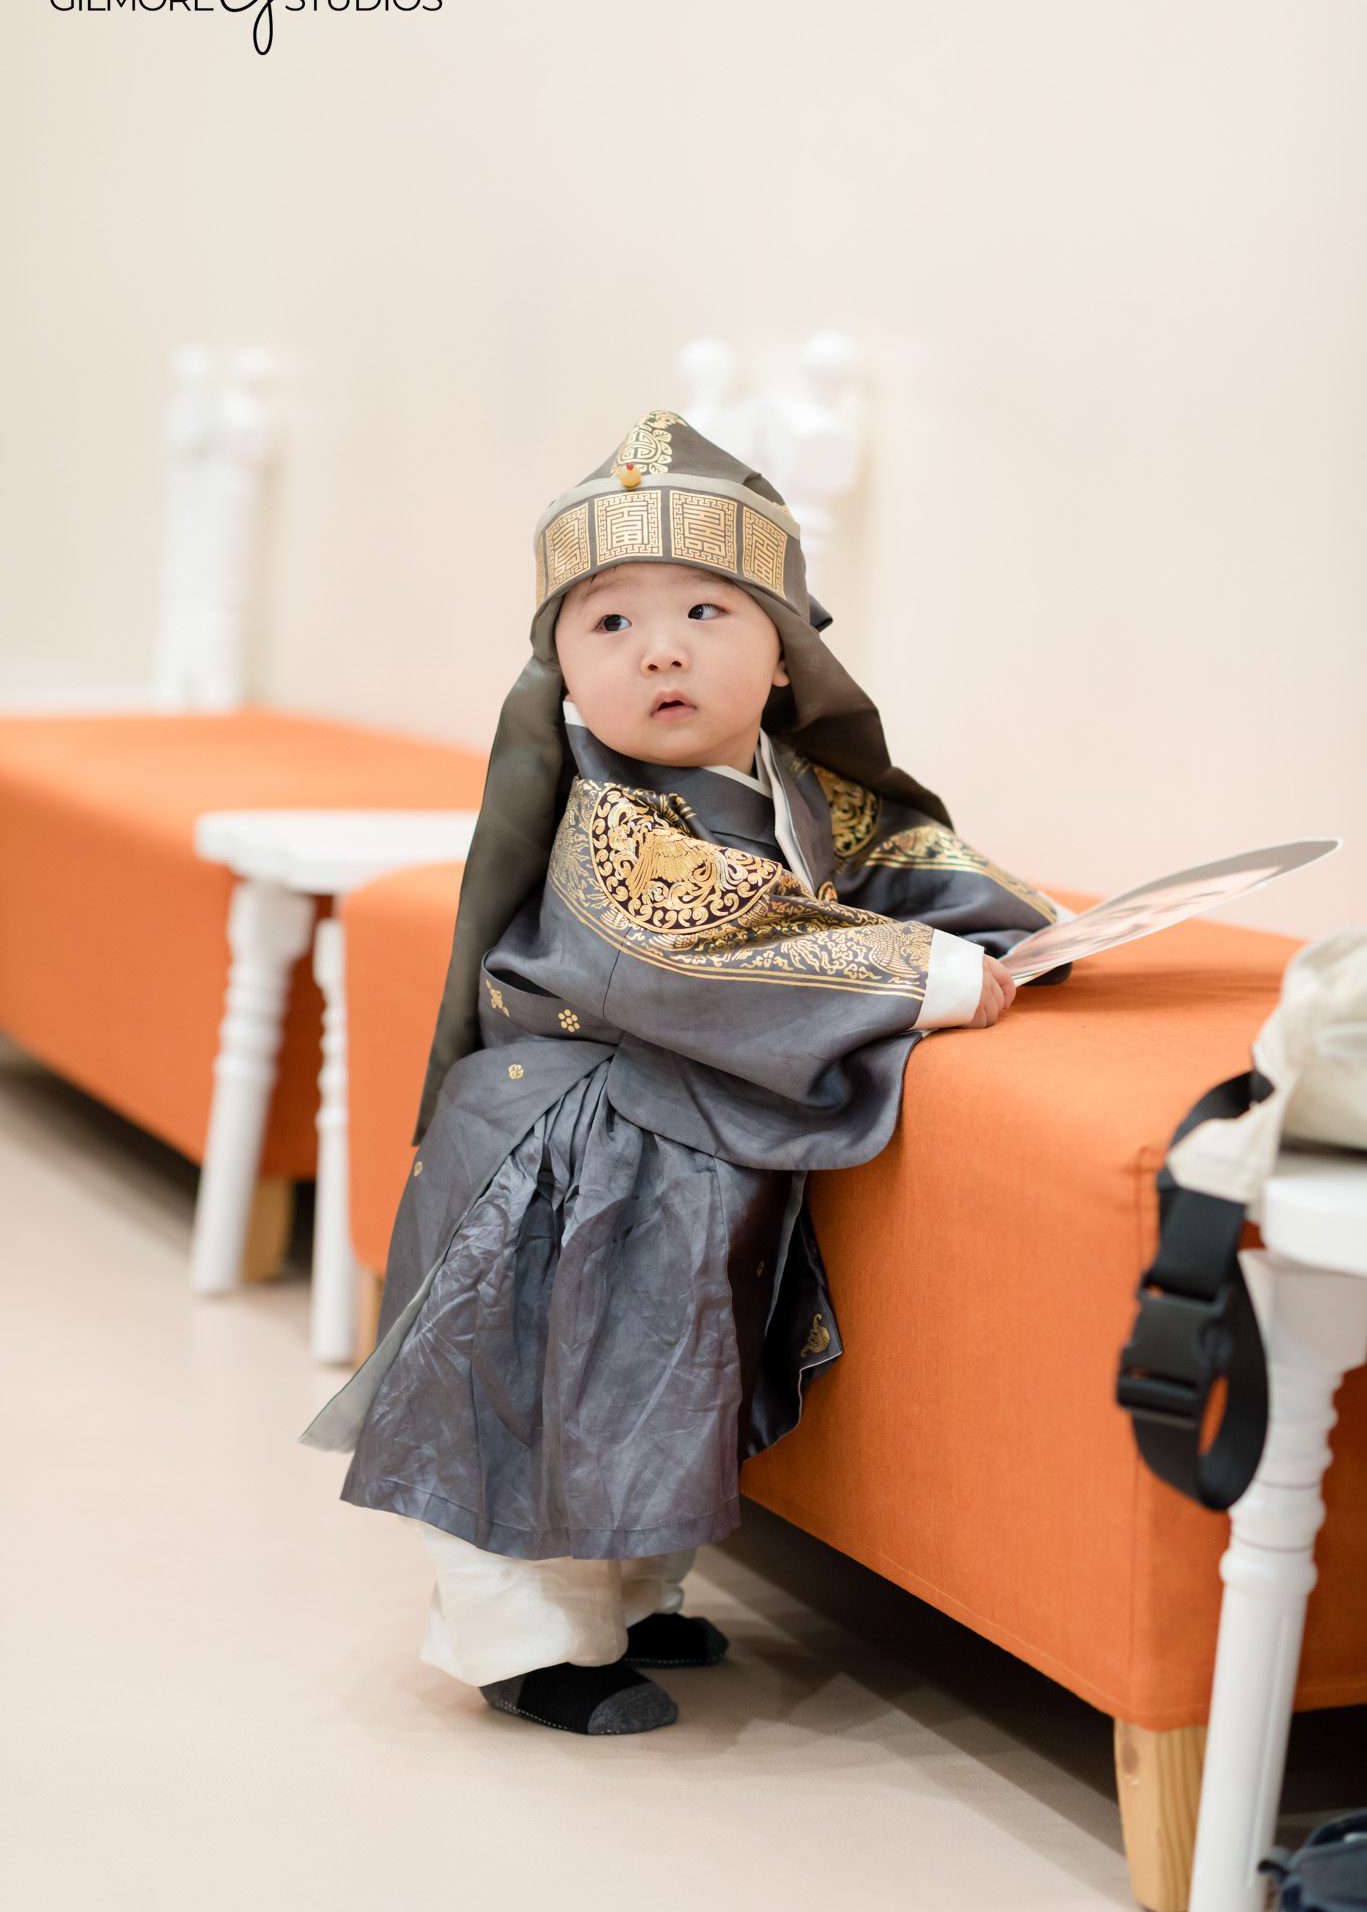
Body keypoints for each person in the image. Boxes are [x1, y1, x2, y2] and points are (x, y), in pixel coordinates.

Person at [298, 408, 1073, 1738]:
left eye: (708, 610)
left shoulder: (806, 790)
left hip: (686, 1157)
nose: (660, 647)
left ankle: (637, 1595)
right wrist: (933, 977)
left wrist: (1033, 933)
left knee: (666, 1381)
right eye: (608, 625)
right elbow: (701, 943)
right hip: (565, 1158)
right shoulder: (610, 822)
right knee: (550, 1389)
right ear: (556, 674)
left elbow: (924, 865)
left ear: (784, 656)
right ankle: (530, 1645)